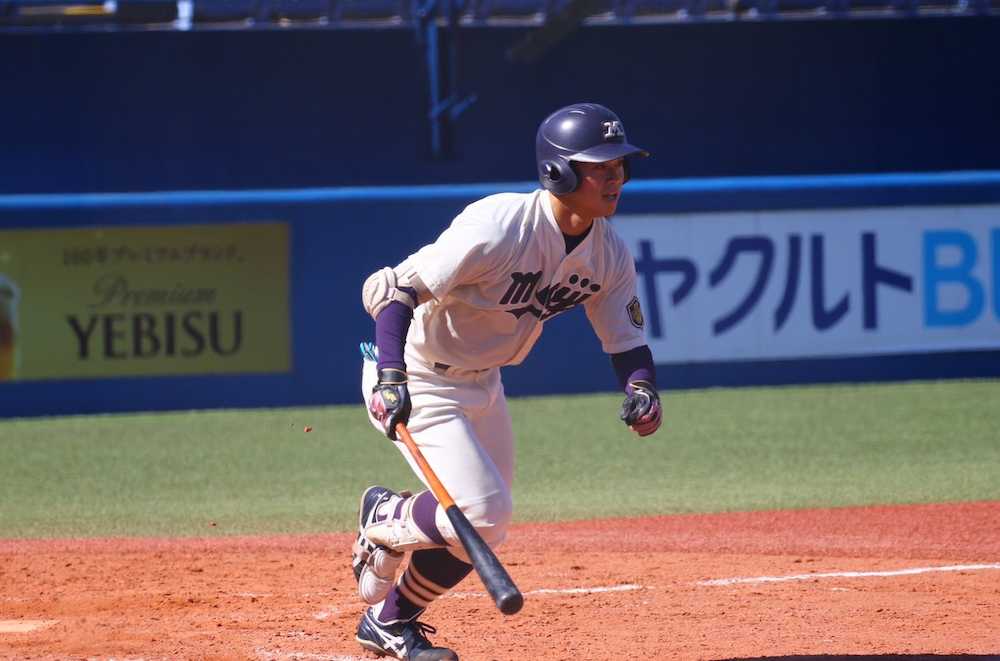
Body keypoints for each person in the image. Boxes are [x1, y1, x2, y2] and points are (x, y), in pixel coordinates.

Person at [352, 102, 663, 660]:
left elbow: (626, 340)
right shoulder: (499, 226)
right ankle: (387, 517)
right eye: (601, 165)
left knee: (486, 529)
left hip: (484, 382)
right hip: (418, 371)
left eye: (621, 164)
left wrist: (641, 390)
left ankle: (387, 620)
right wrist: (392, 378)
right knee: (482, 510)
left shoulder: (608, 252)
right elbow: (396, 292)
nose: (616, 176)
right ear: (558, 172)